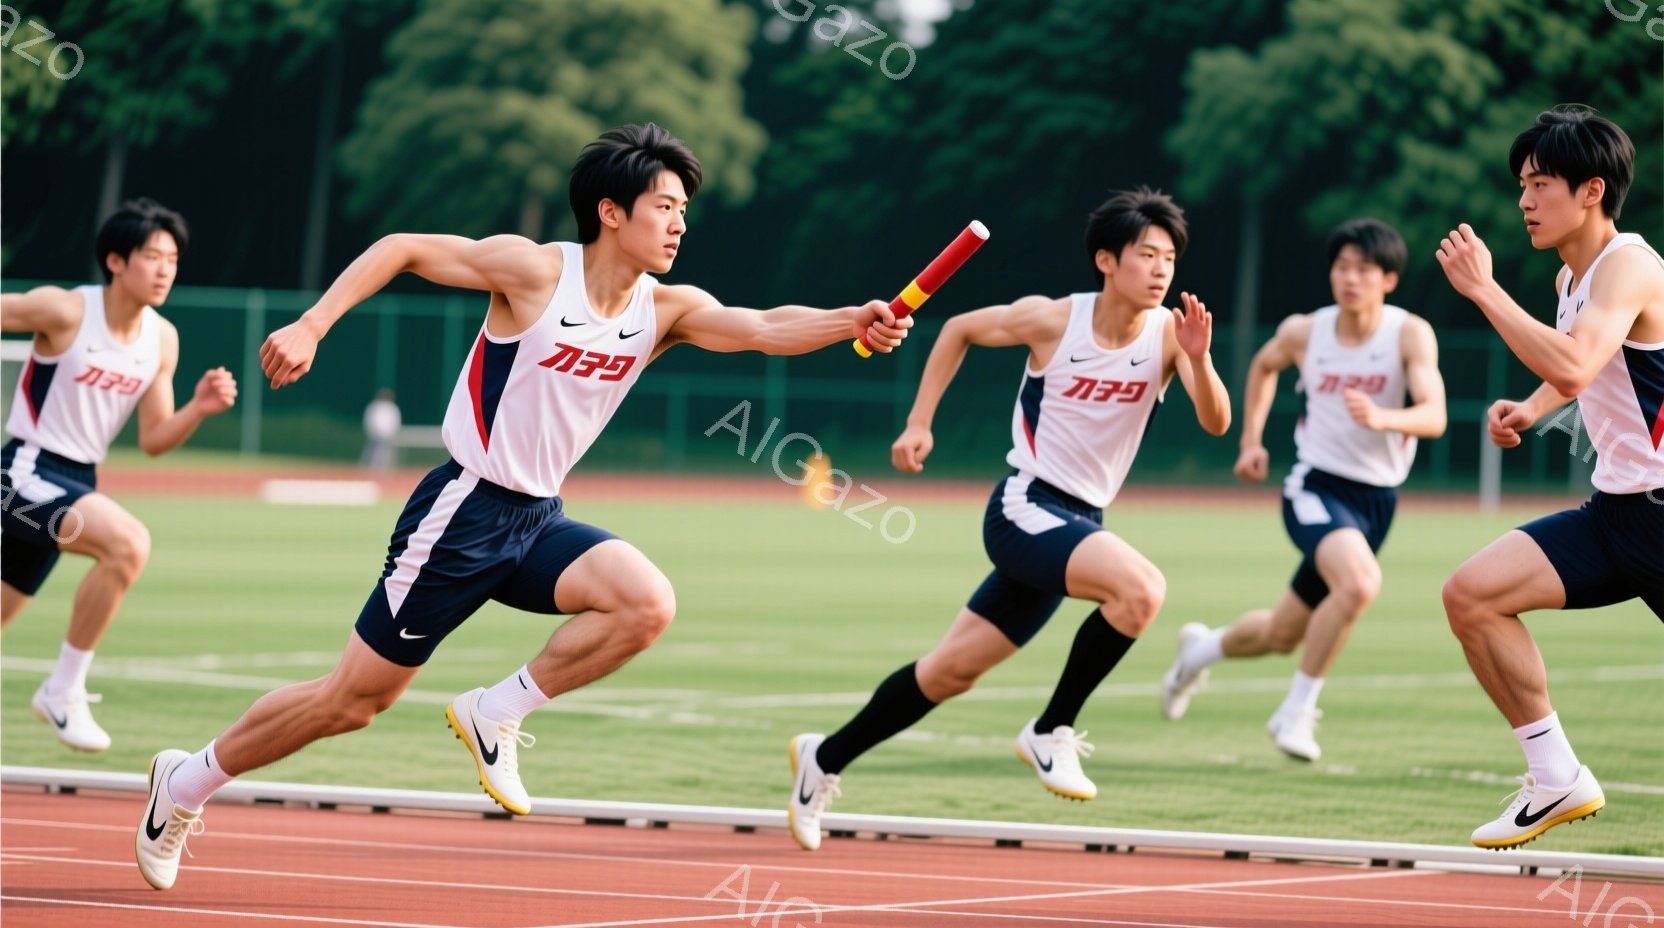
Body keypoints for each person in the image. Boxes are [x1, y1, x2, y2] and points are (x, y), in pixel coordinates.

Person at [134, 123, 909, 891]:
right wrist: (312, 324)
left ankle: (495, 710)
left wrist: (853, 321)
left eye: (683, 209)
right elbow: (401, 245)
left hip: (539, 519)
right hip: (462, 512)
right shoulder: (534, 271)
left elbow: (767, 328)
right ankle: (186, 783)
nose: (680, 223)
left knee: (645, 602)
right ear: (611, 211)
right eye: (665, 205)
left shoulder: (666, 308)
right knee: (353, 701)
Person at [785, 187, 1231, 851]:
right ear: (1106, 260)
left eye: (1169, 257)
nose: (1162, 269)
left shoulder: (1171, 336)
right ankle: (1051, 730)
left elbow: (1217, 422)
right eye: (1147, 255)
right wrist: (918, 423)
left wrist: (1198, 356)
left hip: (1079, 523)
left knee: (949, 673)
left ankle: (823, 758)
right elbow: (960, 328)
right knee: (1141, 589)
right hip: (1026, 505)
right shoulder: (1055, 320)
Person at [1436, 105, 1662, 849]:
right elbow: (1576, 371)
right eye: (1522, 185)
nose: (1524, 201)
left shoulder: (1629, 264)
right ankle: (1557, 776)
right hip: (1618, 515)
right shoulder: (1574, 275)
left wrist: (1484, 291)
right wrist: (1531, 410)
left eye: (1540, 184)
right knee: (1471, 594)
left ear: (1591, 190)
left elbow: (1574, 359)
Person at [1157, 219, 1447, 762]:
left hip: (1377, 501)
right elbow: (1264, 366)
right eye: (1341, 266)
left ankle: (1198, 652)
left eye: (1364, 269)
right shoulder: (1306, 331)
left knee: (1283, 632)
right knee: (1359, 585)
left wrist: (1384, 417)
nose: (1350, 278)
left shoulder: (1408, 333)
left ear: (1388, 278)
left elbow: (1434, 416)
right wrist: (1250, 440)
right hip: (1315, 487)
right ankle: (1295, 711)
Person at [1, 198, 238, 753]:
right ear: (115, 260)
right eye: (152, 256)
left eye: (173, 260)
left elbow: (154, 439)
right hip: (23, 471)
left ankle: (61, 690)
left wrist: (197, 409)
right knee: (128, 545)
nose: (164, 270)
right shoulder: (64, 311)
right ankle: (62, 691)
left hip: (79, 482)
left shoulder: (163, 340)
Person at [360, 388, 401, 471]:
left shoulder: (392, 407)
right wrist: (372, 431)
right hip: (375, 434)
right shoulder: (374, 406)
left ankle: (382, 470)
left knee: (385, 453)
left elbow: (394, 421)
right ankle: (368, 468)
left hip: (387, 435)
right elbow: (370, 420)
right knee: (372, 452)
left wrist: (391, 433)